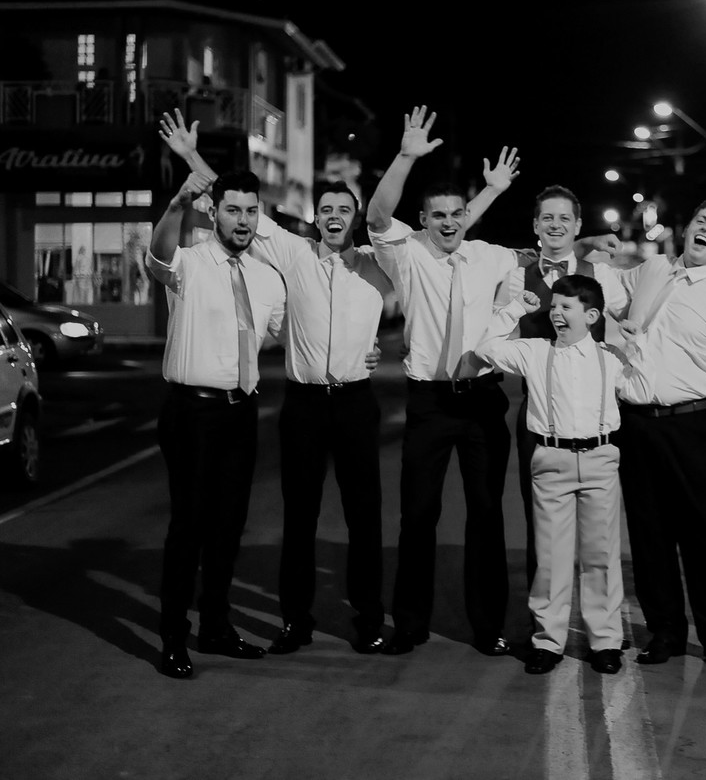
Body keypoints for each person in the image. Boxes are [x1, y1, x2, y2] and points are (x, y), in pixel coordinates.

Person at [156, 109, 512, 657]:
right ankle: (295, 622)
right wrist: (189, 157)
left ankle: (368, 619)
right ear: (315, 217)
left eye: (344, 210)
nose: (334, 217)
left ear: (355, 217)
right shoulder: (293, 253)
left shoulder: (380, 262)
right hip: (302, 405)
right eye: (325, 210)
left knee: (364, 518)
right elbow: (232, 202)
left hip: (355, 404)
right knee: (298, 518)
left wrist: (486, 193)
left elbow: (446, 230)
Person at [365, 106, 528, 658]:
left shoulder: (491, 257)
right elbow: (378, 214)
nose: (450, 222)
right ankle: (409, 624)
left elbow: (535, 264)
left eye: (458, 213)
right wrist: (405, 156)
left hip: (482, 401)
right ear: (422, 220)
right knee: (418, 515)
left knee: (486, 514)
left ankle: (488, 626)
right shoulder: (407, 255)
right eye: (438, 216)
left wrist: (493, 192)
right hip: (430, 403)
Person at [147, 168, 286, 679]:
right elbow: (158, 255)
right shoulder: (188, 263)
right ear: (214, 211)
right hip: (192, 412)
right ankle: (172, 638)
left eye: (251, 210)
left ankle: (216, 627)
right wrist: (176, 204)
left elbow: (292, 334)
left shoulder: (267, 277)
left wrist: (360, 351)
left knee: (228, 525)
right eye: (233, 210)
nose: (243, 220)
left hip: (240, 411)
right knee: (189, 525)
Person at [478, 279, 649, 675]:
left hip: (600, 459)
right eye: (554, 306)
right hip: (551, 459)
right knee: (551, 557)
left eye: (566, 307)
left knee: (600, 555)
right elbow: (485, 347)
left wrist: (638, 345)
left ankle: (604, 642)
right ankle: (547, 641)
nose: (555, 313)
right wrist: (515, 309)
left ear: (591, 316)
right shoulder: (534, 351)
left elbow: (642, 389)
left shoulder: (610, 356)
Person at [615, 198, 706, 674]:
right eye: (701, 220)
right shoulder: (652, 271)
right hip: (637, 424)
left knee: (701, 536)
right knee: (648, 536)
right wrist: (590, 245)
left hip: (691, 425)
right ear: (688, 226)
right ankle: (665, 631)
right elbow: (599, 285)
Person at [513, 186, 626, 588]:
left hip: (595, 421)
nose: (555, 225)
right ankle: (544, 617)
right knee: (541, 528)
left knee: (599, 533)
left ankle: (601, 619)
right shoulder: (516, 275)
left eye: (565, 218)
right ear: (535, 225)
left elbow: (635, 323)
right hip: (539, 417)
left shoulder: (602, 276)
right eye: (548, 217)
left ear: (578, 225)